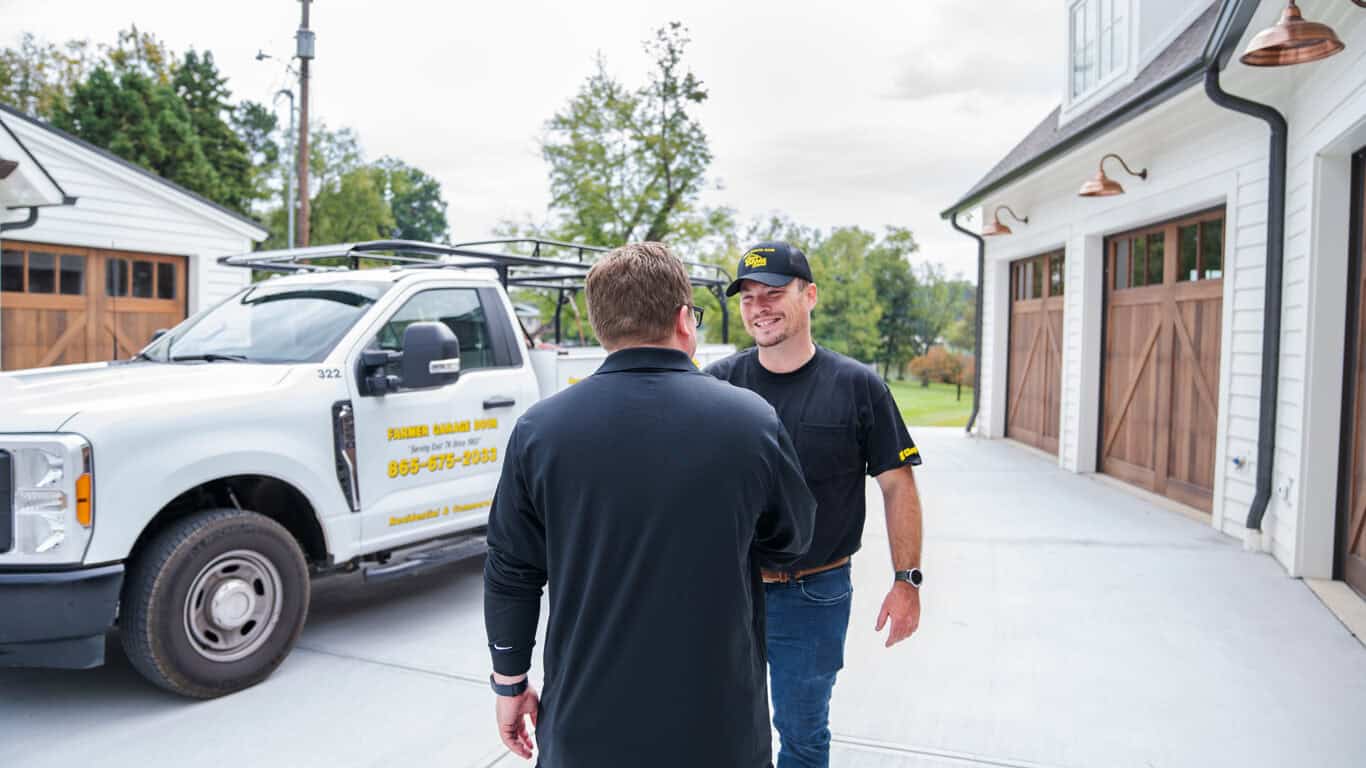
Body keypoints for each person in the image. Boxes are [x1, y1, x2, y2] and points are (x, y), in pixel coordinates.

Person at [483, 241, 817, 767]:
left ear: (601, 326)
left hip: (586, 728)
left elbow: (511, 571)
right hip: (717, 727)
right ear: (684, 320)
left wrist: (510, 682)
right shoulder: (751, 422)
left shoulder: (539, 432)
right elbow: (792, 541)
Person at [705, 241, 926, 768]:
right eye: (748, 297)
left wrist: (907, 580)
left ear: (810, 296)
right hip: (725, 592)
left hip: (814, 594)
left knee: (803, 733)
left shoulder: (857, 387)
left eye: (774, 293)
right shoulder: (716, 385)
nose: (759, 306)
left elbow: (898, 484)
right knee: (719, 727)